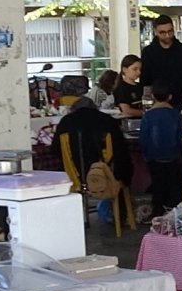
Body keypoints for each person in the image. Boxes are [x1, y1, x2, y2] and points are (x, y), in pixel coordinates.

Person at [57, 85, 133, 223]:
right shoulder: (108, 121)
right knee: (123, 165)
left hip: (75, 176)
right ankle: (120, 217)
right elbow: (120, 149)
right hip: (107, 173)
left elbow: (56, 150)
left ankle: (72, 220)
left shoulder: (65, 123)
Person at [137, 86, 182, 215]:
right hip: (173, 158)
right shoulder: (177, 115)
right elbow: (180, 138)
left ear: (152, 96)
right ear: (170, 96)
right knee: (173, 188)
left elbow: (143, 139)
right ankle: (173, 214)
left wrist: (146, 156)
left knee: (158, 187)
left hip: (154, 158)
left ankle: (157, 213)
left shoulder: (148, 116)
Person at [140, 16, 182, 109]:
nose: (167, 35)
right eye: (162, 32)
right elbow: (145, 80)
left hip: (181, 102)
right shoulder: (148, 52)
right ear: (155, 32)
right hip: (157, 103)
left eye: (170, 31)